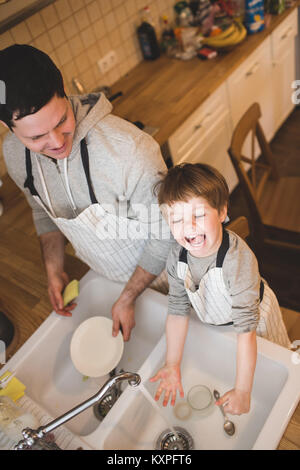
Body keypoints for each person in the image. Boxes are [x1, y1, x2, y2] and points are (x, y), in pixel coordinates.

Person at [0, 44, 174, 341]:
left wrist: (128, 296)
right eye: (37, 136)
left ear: (64, 90)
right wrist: (54, 269)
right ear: (7, 127)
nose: (56, 142)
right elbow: (41, 208)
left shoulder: (128, 151)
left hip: (176, 280)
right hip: (110, 280)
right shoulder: (15, 155)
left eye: (61, 121)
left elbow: (166, 233)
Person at [150, 163, 291, 415]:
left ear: (222, 211)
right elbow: (177, 309)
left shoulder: (236, 262)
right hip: (217, 321)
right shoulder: (176, 257)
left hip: (254, 324)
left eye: (199, 214)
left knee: (278, 371)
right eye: (177, 219)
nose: (189, 226)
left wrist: (243, 392)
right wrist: (172, 363)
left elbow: (246, 332)